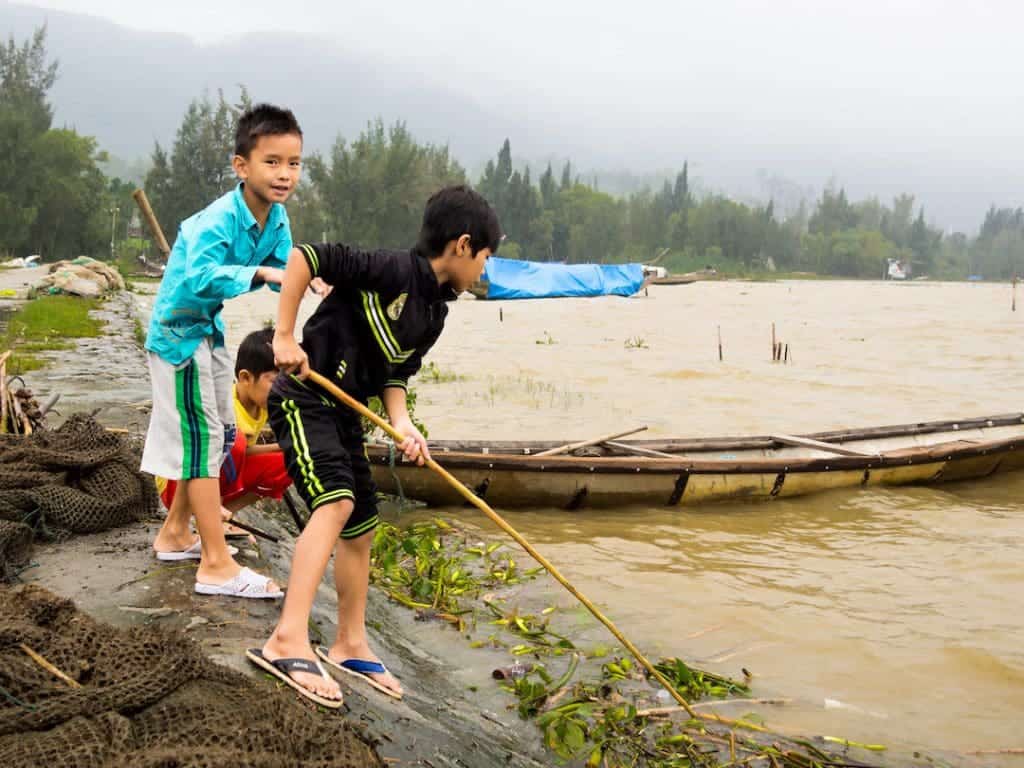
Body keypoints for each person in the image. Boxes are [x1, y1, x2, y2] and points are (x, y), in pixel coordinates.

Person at [245, 185, 501, 706]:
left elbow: (396, 376)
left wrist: (404, 427)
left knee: (361, 524)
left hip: (346, 413)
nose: (484, 271)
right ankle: (286, 639)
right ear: (463, 244)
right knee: (335, 502)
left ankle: (349, 643)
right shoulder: (388, 269)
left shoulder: (435, 313)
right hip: (304, 398)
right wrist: (285, 336)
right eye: (486, 258)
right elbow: (304, 257)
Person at [140, 103, 303, 599]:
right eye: (271, 162)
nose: (284, 174)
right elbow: (200, 276)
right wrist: (263, 273)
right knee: (202, 439)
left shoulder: (276, 220)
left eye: (293, 163)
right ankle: (215, 563)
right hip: (178, 336)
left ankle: (174, 533)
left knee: (221, 432)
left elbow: (285, 273)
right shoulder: (216, 220)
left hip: (207, 330)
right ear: (242, 166)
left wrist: (313, 277)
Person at [155, 327, 292, 536]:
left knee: (290, 460)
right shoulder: (224, 404)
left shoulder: (263, 403)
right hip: (179, 485)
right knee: (232, 440)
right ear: (245, 378)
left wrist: (285, 447)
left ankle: (228, 515)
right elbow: (210, 451)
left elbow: (247, 451)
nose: (283, 389)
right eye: (275, 381)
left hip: (221, 477)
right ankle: (210, 517)